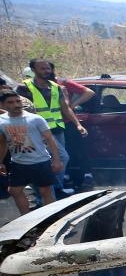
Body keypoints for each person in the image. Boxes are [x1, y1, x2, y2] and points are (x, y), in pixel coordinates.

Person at [17, 58, 86, 196]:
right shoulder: (24, 87)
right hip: (38, 130)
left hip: (57, 128)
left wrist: (78, 124)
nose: (46, 71)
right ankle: (54, 189)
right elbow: (20, 108)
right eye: (42, 68)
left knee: (55, 160)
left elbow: (65, 107)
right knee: (62, 157)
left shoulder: (55, 87)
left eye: (48, 68)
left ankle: (51, 190)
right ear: (34, 70)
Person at [0, 90, 64, 214]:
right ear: (3, 105)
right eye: (11, 102)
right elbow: (3, 143)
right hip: (18, 163)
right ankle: (26, 218)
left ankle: (51, 217)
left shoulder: (35, 119)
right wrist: (0, 162)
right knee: (14, 191)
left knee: (45, 191)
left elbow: (50, 139)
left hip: (40, 162)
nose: (16, 105)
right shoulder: (2, 121)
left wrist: (56, 160)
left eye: (18, 101)